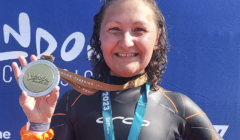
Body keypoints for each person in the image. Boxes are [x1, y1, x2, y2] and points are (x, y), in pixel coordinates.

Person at [12, 0, 224, 139]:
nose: (126, 41)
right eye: (114, 30)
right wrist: (38, 125)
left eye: (139, 30)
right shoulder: (71, 102)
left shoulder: (179, 107)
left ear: (156, 39)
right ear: (99, 38)